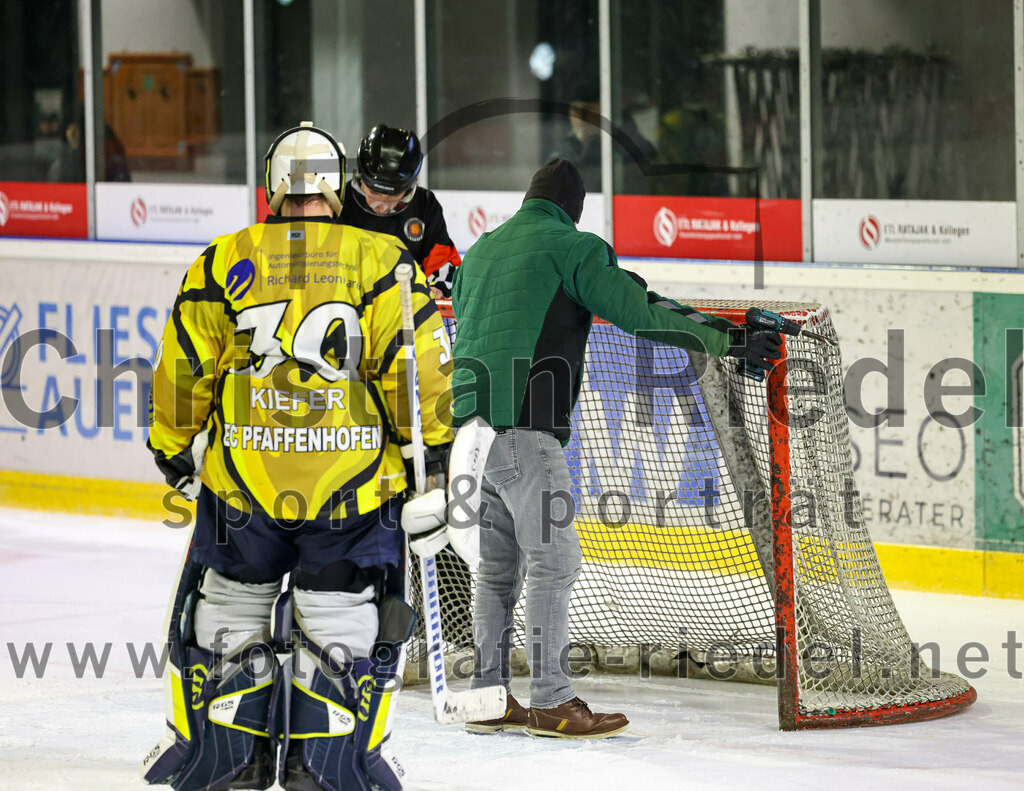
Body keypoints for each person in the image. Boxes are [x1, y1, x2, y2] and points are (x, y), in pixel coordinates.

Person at [142, 122, 453, 791]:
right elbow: (416, 369)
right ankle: (329, 765)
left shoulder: (222, 260)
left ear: (273, 187)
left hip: (244, 488)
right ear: (336, 189)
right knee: (340, 615)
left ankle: (229, 759)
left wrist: (173, 447)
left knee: (229, 608)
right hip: (352, 490)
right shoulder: (380, 261)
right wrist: (436, 453)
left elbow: (182, 367)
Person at [451, 158, 780, 738]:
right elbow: (639, 310)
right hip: (527, 431)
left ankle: (487, 697)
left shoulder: (479, 252)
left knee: (497, 573)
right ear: (573, 209)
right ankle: (552, 700)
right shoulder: (572, 246)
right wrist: (728, 339)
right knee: (555, 562)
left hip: (469, 438)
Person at [340, 124, 461, 297]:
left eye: (393, 196)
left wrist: (439, 289)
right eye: (374, 192)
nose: (381, 206)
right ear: (361, 179)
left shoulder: (424, 205)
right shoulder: (339, 204)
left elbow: (443, 266)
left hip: (407, 311)